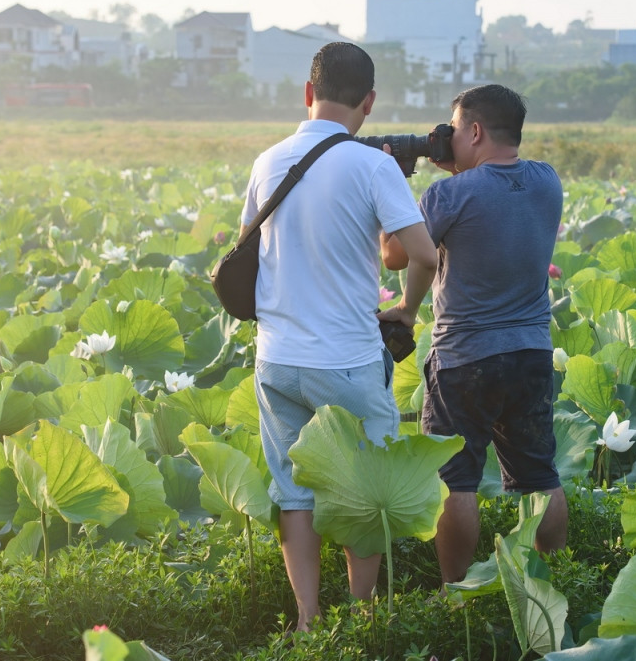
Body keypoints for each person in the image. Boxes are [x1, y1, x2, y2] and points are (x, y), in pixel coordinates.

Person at [242, 42, 438, 631]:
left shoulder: (267, 162)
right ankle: (360, 616)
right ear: (369, 102)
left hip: (277, 359)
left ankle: (307, 620)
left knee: (294, 492)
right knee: (366, 488)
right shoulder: (372, 166)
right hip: (347, 361)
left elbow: (246, 248)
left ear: (308, 93)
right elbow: (423, 254)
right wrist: (406, 309)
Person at [381, 83, 566, 584]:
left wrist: (393, 180)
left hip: (464, 358)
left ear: (476, 131)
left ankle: (454, 591)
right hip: (531, 352)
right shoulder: (547, 182)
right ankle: (556, 578)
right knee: (541, 477)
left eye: (457, 130)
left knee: (455, 481)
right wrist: (462, 167)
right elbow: (496, 196)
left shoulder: (448, 195)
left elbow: (394, 255)